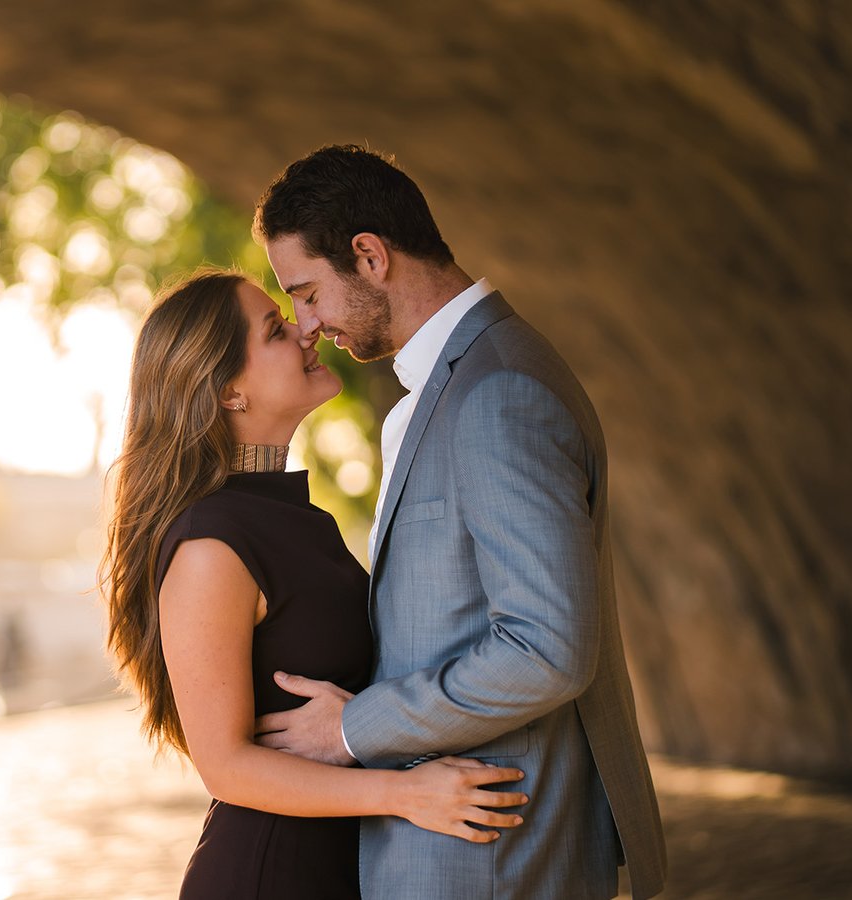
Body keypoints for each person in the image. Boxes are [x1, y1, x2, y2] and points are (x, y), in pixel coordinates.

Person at [250, 145, 668, 899]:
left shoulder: (499, 392)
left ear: (370, 256)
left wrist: (353, 731)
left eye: (308, 293)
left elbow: (548, 648)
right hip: (461, 846)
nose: (306, 325)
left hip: (495, 850)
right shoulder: (456, 385)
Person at [102, 270, 529, 899]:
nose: (307, 331)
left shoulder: (300, 518)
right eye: (276, 330)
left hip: (342, 865)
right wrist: (406, 793)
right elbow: (225, 767)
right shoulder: (209, 543)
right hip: (270, 875)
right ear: (228, 392)